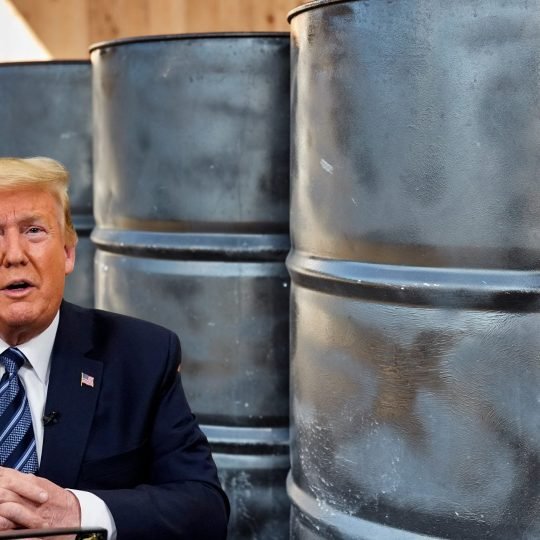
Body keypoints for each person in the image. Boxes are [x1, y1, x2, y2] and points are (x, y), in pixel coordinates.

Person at [0, 156, 229, 539]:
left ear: (68, 252)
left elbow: (204, 510)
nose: (14, 255)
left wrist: (78, 513)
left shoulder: (142, 356)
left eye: (34, 231)